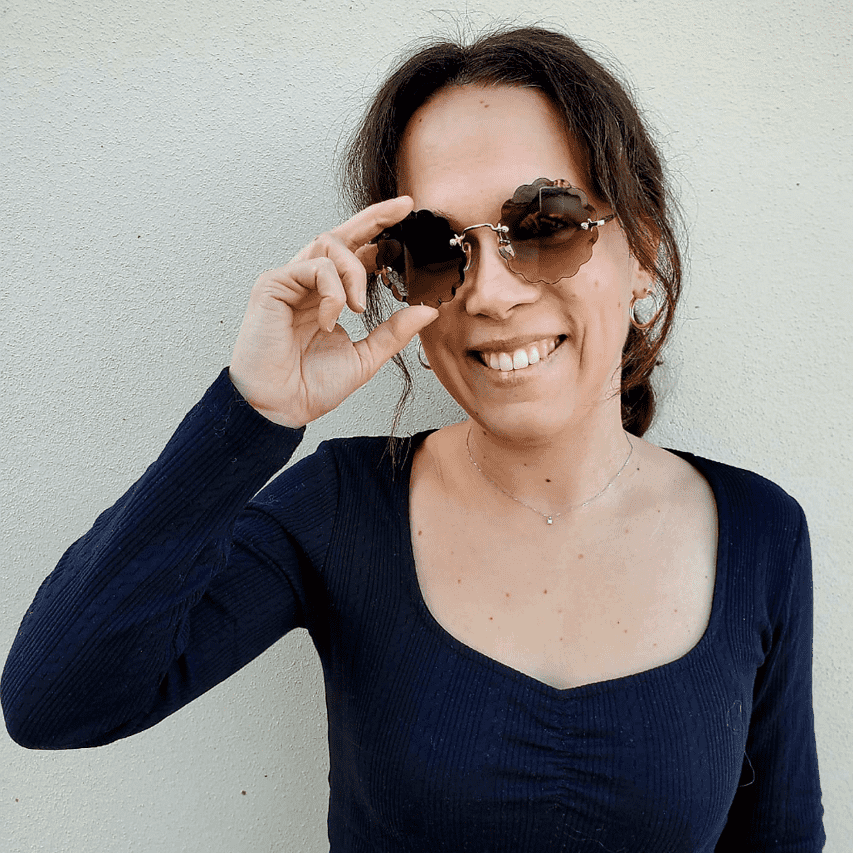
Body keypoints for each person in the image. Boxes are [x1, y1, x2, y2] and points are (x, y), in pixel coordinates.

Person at [1, 26, 824, 852]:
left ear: (642, 247)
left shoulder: (760, 534)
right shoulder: (340, 507)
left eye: (544, 225)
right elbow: (56, 701)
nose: (490, 293)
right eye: (436, 250)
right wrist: (253, 412)